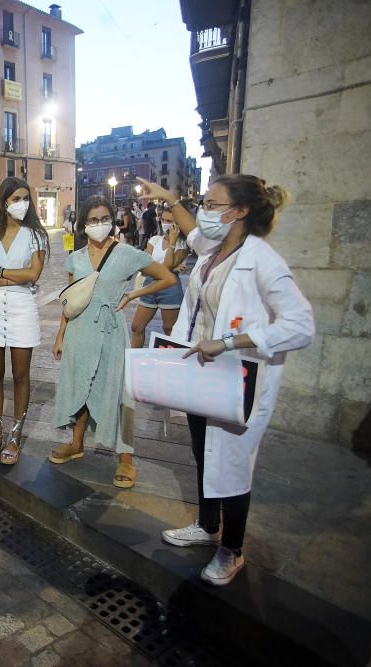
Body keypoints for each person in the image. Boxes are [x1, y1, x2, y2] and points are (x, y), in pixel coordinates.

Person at [136, 174, 314, 586]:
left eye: (213, 204)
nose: (205, 211)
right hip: (205, 376)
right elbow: (195, 234)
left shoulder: (263, 260)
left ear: (240, 211)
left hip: (240, 379)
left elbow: (301, 326)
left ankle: (231, 550)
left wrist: (232, 342)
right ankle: (206, 524)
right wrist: (171, 200)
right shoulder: (216, 249)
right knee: (204, 453)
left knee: (232, 466)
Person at [49, 196, 176, 488]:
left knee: (119, 393)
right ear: (83, 224)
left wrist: (133, 295)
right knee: (80, 384)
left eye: (104, 218)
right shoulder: (75, 257)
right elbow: (70, 302)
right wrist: (60, 336)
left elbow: (167, 278)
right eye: (92, 220)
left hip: (110, 331)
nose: (99, 225)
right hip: (79, 331)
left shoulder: (127, 253)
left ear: (113, 220)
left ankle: (126, 460)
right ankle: (76, 443)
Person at [0, 177, 48, 466]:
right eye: (16, 198)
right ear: (4, 201)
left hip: (22, 309)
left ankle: (15, 436)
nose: (22, 203)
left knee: (20, 375)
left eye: (25, 198)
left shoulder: (35, 234)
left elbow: (34, 275)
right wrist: (15, 275)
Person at [130, 205, 190, 347]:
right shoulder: (154, 240)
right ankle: (134, 360)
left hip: (170, 287)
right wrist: (169, 267)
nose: (165, 223)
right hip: (151, 284)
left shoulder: (182, 244)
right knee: (136, 326)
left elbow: (166, 267)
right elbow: (145, 266)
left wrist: (172, 243)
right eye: (163, 219)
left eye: (169, 220)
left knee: (169, 329)